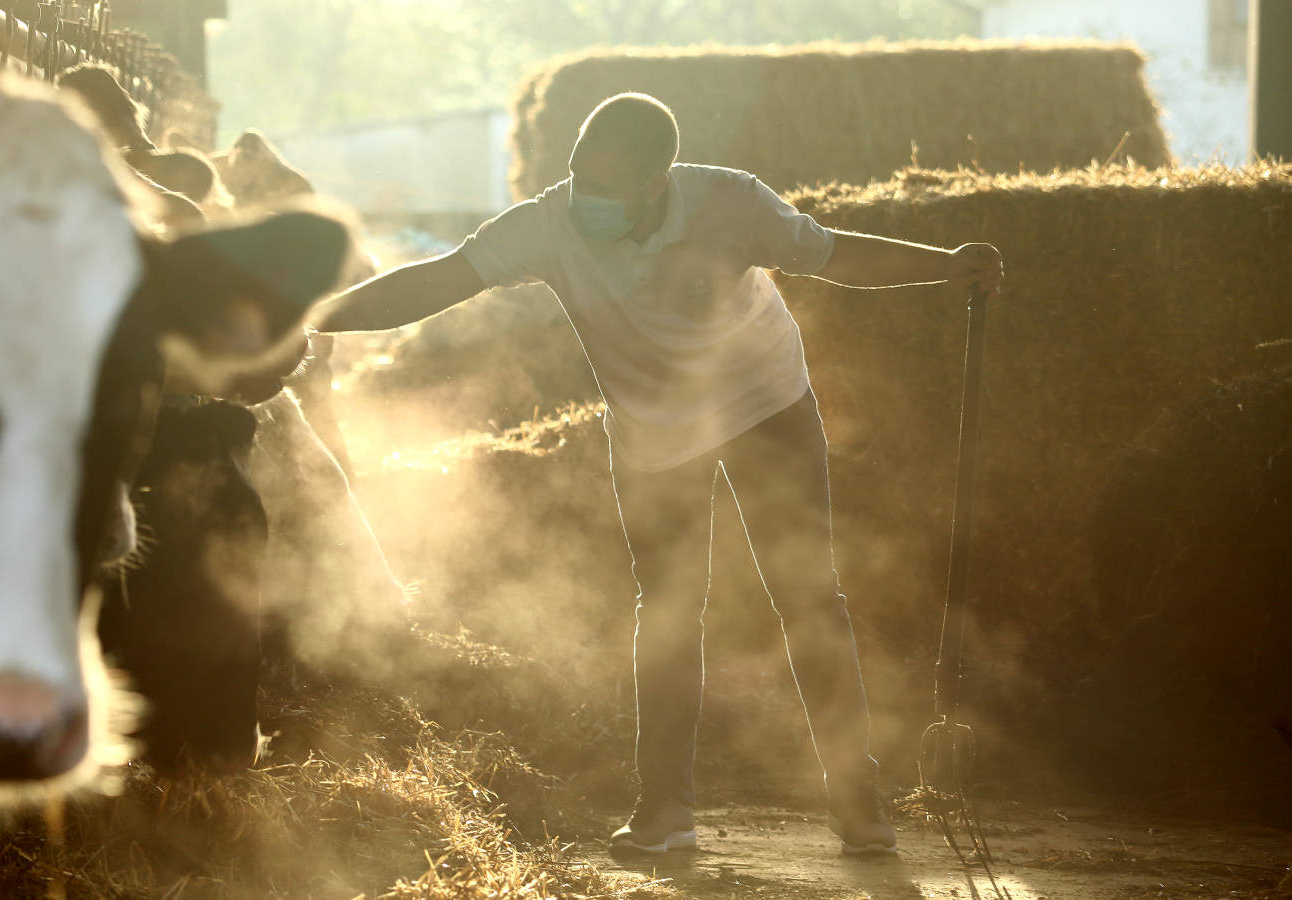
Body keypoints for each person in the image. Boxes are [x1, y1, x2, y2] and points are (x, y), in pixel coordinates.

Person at [307, 92, 1005, 856]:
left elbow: (835, 254)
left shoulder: (730, 203)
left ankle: (856, 802)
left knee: (807, 597)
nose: (587, 201)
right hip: (652, 433)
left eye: (607, 188)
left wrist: (945, 267)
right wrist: (310, 318)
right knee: (668, 609)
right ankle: (664, 812)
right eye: (580, 178)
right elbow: (436, 281)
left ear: (655, 181)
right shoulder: (550, 221)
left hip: (764, 404)